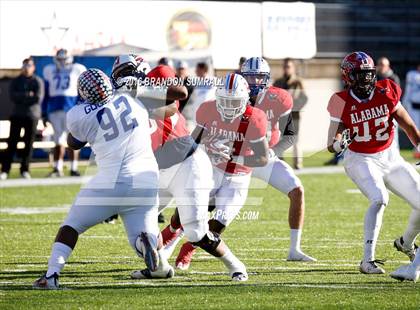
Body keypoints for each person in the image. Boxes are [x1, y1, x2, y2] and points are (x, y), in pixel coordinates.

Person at [33, 69, 172, 289]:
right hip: (146, 180)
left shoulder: (78, 115)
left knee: (72, 225)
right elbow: (177, 95)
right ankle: (147, 245)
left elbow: (73, 143)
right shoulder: (132, 98)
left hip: (111, 182)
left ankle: (51, 276)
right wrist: (140, 87)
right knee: (140, 237)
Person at [113, 61, 250, 281]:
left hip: (186, 164)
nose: (121, 78)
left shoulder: (156, 76)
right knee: (139, 221)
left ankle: (236, 265)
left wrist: (141, 91)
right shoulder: (118, 102)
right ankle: (160, 268)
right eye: (119, 74)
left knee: (195, 232)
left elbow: (179, 94)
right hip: (157, 170)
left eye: (125, 73)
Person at [161, 73, 268, 276]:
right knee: (187, 209)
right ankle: (170, 234)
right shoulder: (208, 109)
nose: (228, 107)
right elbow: (194, 141)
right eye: (224, 101)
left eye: (233, 102)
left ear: (245, 99)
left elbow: (262, 159)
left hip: (237, 176)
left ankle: (188, 248)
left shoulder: (255, 118)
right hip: (210, 169)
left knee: (216, 226)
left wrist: (236, 158)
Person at [326, 51, 420, 274]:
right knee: (379, 198)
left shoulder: (386, 91)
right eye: (361, 74)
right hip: (360, 158)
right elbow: (332, 142)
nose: (367, 79)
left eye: (369, 74)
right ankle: (367, 261)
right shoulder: (340, 101)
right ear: (349, 76)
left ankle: (406, 242)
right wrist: (340, 145)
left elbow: (409, 127)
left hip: (390, 156)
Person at [242, 57, 315, 261]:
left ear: (267, 78)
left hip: (266, 159)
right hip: (239, 160)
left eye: (259, 77)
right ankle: (185, 248)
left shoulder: (277, 98)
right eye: (250, 77)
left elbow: (290, 134)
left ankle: (294, 250)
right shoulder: (234, 96)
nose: (255, 82)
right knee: (212, 206)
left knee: (297, 190)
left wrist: (273, 151)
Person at [42, 49, 86, 177]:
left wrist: (80, 107)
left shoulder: (77, 69)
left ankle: (73, 168)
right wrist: (44, 111)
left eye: (63, 58)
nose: (62, 61)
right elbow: (45, 93)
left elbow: (81, 91)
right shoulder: (49, 70)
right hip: (55, 108)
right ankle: (57, 168)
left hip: (71, 108)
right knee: (58, 140)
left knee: (73, 139)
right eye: (59, 59)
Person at [1, 58, 44, 180]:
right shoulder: (16, 81)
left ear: (33, 67)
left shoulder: (37, 81)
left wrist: (23, 96)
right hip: (17, 115)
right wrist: (27, 95)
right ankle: (5, 170)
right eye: (25, 65)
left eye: (29, 65)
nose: (26, 68)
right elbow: (13, 97)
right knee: (11, 143)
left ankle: (25, 170)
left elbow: (37, 98)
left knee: (28, 144)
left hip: (32, 116)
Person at [273, 58, 308, 169]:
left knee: (295, 139)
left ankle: (297, 163)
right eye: (284, 66)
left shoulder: (298, 82)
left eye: (288, 66)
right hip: (281, 116)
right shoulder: (278, 83)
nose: (286, 69)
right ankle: (280, 161)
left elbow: (304, 98)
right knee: (280, 138)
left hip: (294, 116)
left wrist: (294, 107)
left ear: (293, 68)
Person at [403, 63, 420, 158]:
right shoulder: (412, 75)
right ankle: (417, 150)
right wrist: (405, 104)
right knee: (415, 128)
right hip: (414, 107)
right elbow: (409, 90)